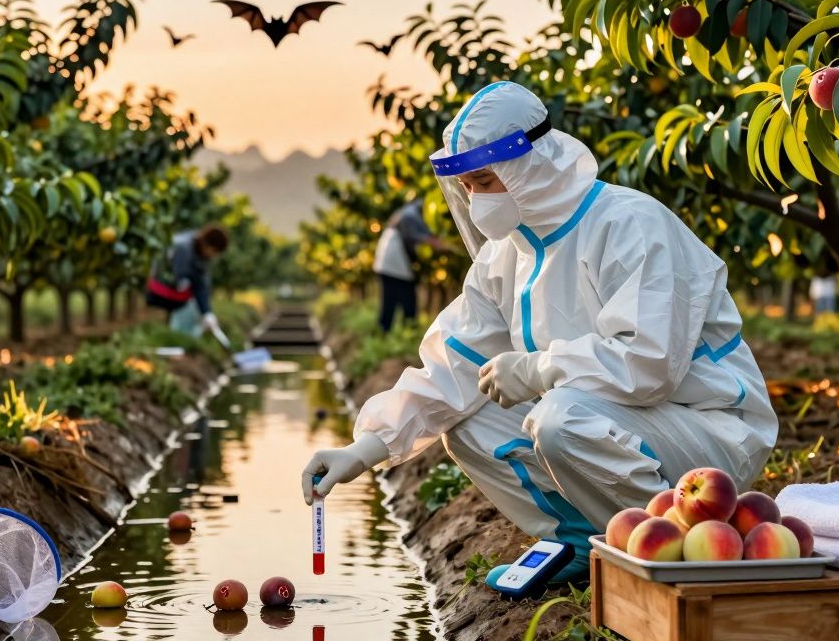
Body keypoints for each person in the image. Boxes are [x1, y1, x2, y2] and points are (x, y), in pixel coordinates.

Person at [300, 81, 777, 587]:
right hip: (614, 420)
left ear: (528, 164)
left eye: (485, 181)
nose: (476, 198)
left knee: (559, 418)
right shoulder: (506, 257)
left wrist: (537, 368)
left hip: (705, 430)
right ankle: (577, 539)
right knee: (468, 420)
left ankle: (669, 541)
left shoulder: (628, 223)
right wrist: (364, 449)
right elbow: (454, 365)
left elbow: (649, 364)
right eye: (466, 186)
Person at [146, 224, 230, 347]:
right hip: (161, 290)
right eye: (214, 252)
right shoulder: (182, 247)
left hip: (176, 293)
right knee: (190, 309)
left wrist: (207, 312)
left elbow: (201, 283)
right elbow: (183, 279)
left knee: (193, 306)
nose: (213, 256)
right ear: (209, 246)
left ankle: (182, 342)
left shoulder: (199, 251)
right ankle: (178, 343)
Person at [373, 198, 445, 332]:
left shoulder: (406, 212)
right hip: (393, 263)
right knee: (405, 298)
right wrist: (431, 240)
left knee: (391, 299)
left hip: (388, 262)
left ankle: (386, 331)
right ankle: (407, 329)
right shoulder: (410, 213)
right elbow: (413, 234)